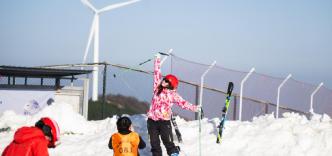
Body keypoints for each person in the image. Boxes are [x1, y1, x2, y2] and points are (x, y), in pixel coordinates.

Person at [147, 53, 200, 156]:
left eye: (167, 81)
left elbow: (183, 103)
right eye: (165, 79)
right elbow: (157, 73)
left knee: (168, 142)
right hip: (152, 121)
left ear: (171, 85)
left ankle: (174, 153)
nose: (164, 81)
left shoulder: (173, 95)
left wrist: (195, 108)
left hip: (164, 123)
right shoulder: (157, 88)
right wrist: (157, 59)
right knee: (154, 144)